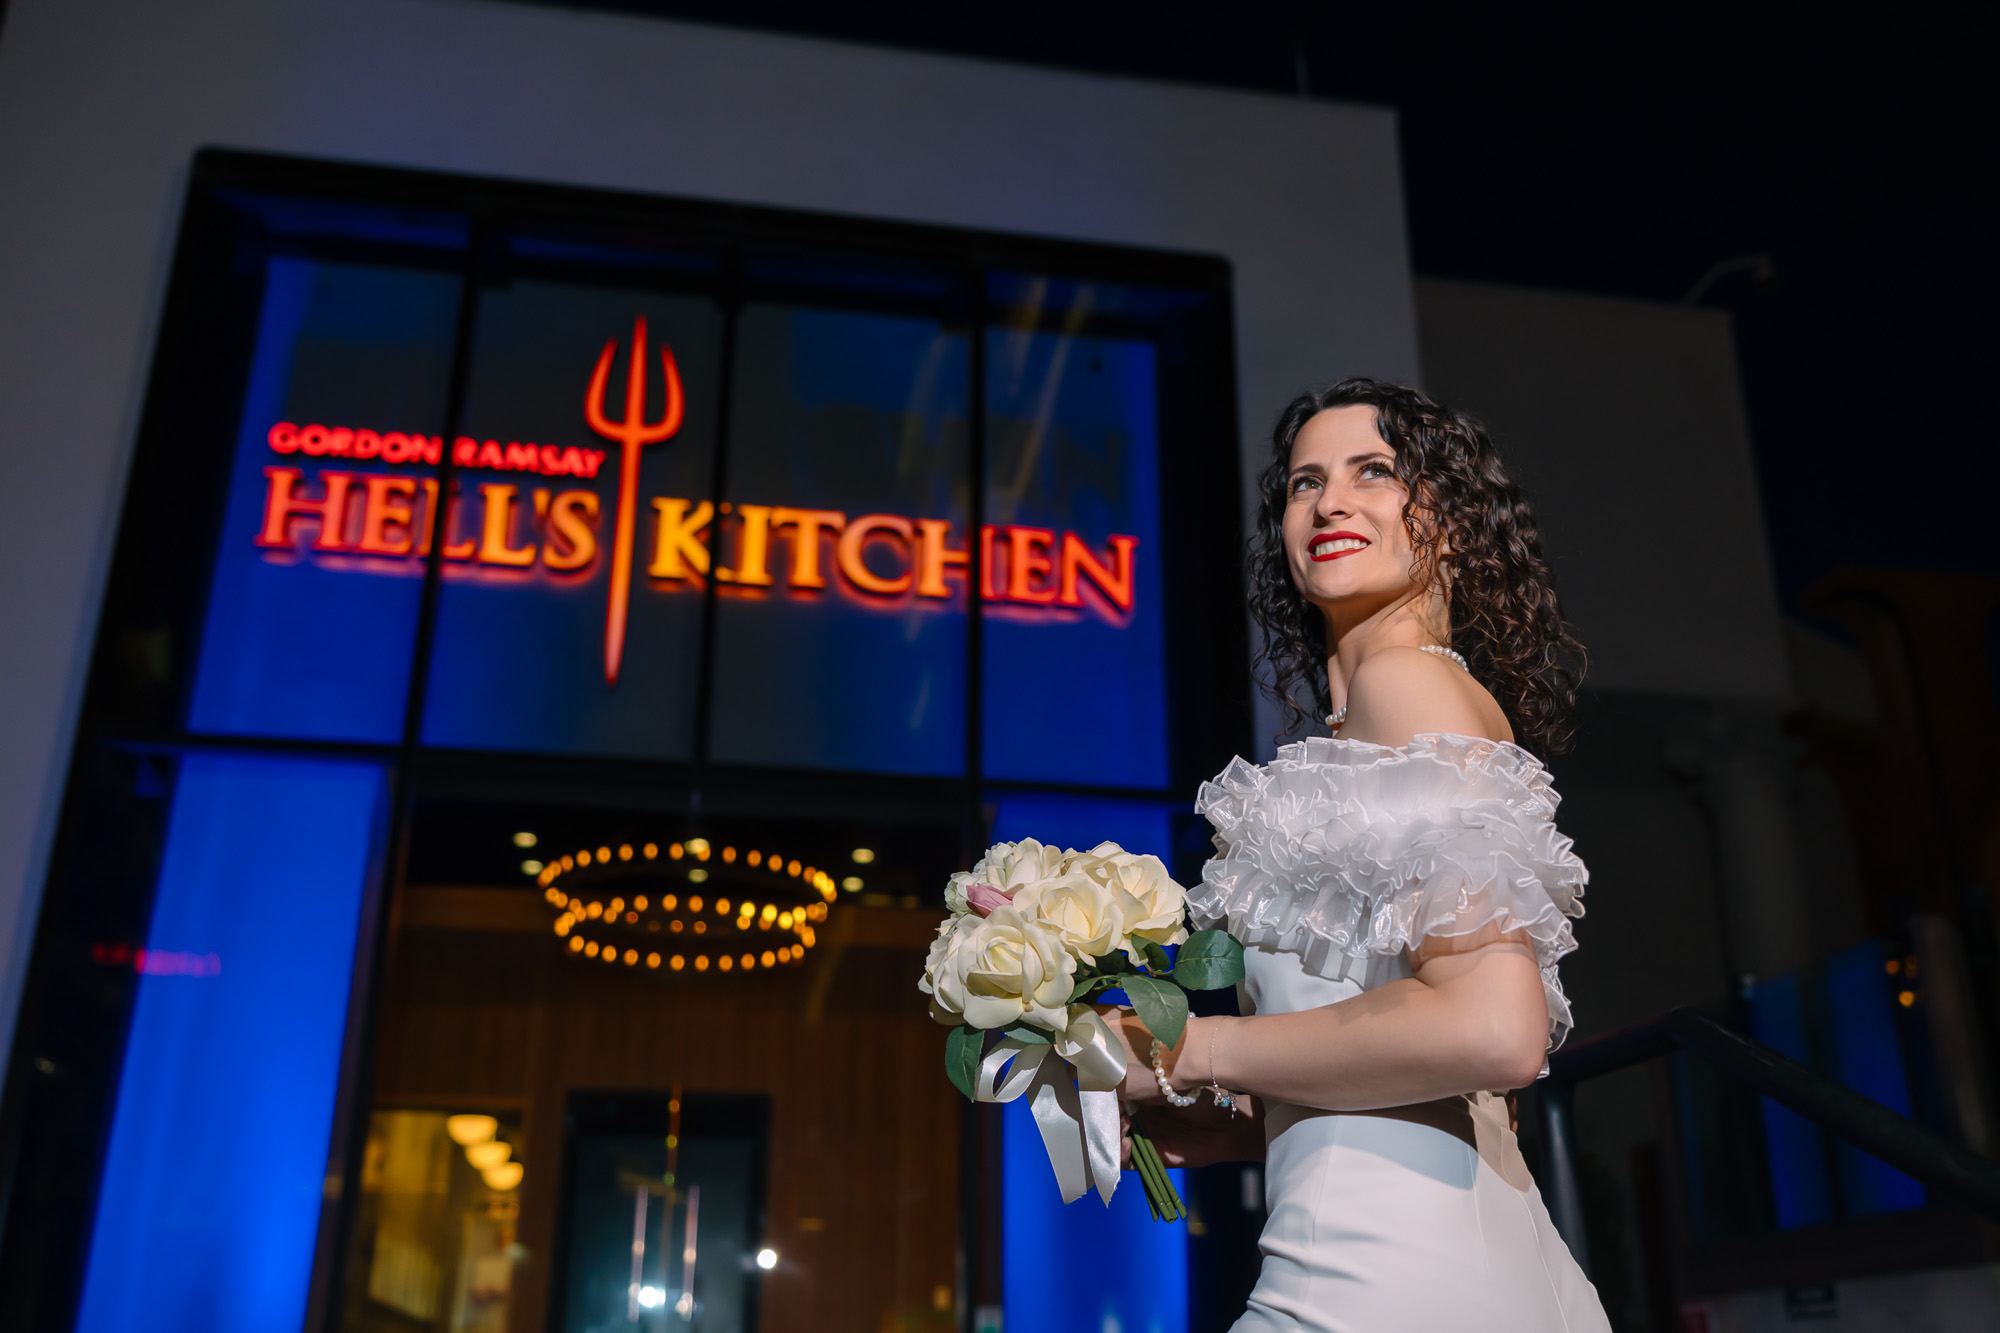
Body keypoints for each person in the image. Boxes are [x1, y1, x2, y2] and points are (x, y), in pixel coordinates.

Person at [1110, 379, 1609, 1331]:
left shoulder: (1403, 683)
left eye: (1373, 472)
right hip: (1432, 1257)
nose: (1329, 501)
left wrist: (1186, 1050)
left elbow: (1494, 1031)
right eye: (1305, 482)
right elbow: (1408, 1063)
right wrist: (1231, 1127)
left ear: (1452, 524)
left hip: (1382, 1277)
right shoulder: (1381, 720)